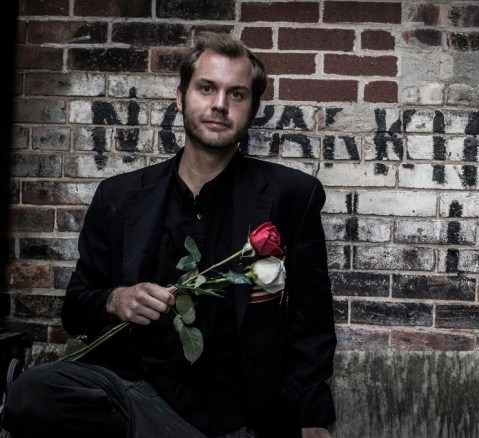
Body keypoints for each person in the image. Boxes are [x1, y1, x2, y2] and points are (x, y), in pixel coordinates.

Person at [1, 31, 336, 438]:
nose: (219, 104)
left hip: (240, 414)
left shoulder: (292, 196)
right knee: (32, 392)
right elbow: (76, 309)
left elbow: (312, 320)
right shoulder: (119, 197)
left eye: (236, 94)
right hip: (137, 398)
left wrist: (313, 417)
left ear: (252, 110)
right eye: (206, 88)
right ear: (180, 98)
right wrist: (116, 299)